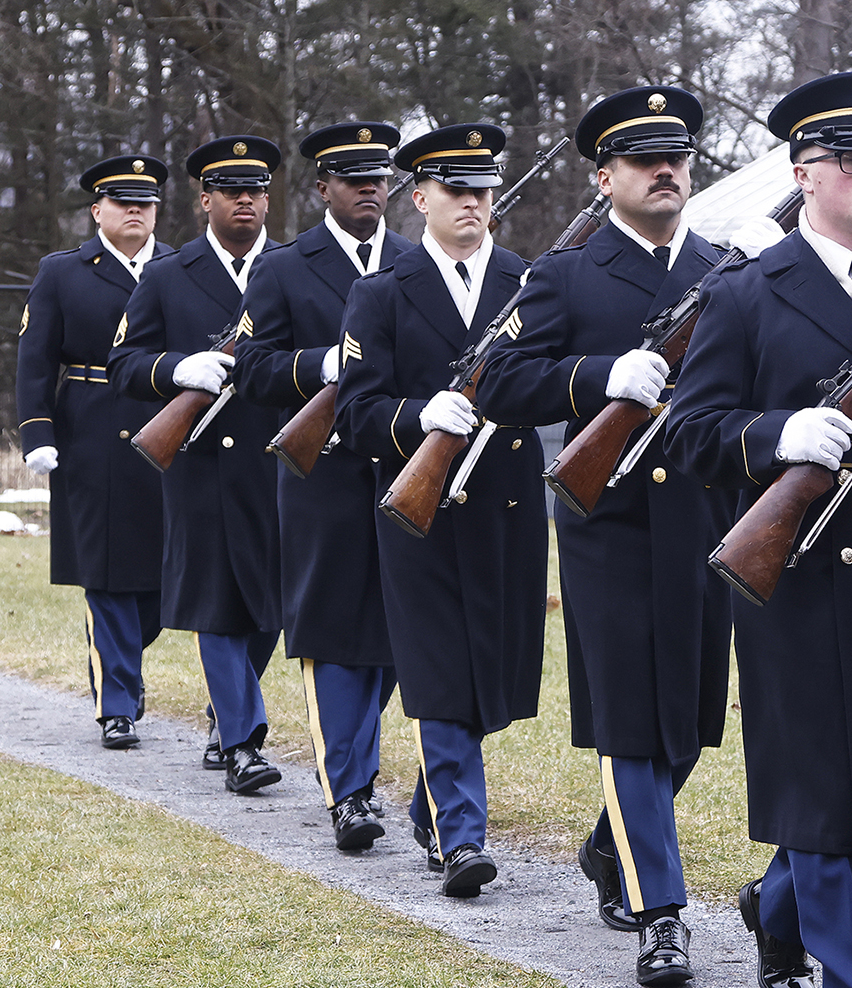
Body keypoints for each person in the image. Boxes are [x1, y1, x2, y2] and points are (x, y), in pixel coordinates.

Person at [665, 71, 852, 988]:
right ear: (804, 173)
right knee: (831, 783)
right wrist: (778, 431)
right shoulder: (750, 292)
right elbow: (690, 431)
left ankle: (776, 901)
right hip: (798, 572)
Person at [479, 85, 736, 988]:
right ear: (606, 177)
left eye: (676, 159)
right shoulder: (563, 274)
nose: (665, 172)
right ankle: (661, 913)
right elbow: (500, 379)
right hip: (611, 524)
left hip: (706, 517)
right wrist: (596, 377)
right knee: (631, 719)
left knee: (692, 723)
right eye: (642, 161)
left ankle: (611, 843)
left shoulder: (726, 268)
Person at [333, 123, 546, 899]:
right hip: (420, 514)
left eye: (483, 189)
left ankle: (431, 801)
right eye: (455, 189)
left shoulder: (528, 282)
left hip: (507, 506)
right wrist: (418, 416)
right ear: (417, 197)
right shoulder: (380, 292)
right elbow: (356, 415)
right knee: (439, 668)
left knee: (490, 677)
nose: (471, 202)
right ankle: (463, 837)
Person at [234, 121, 421, 852]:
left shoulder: (413, 262)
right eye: (354, 179)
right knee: (330, 636)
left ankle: (360, 769)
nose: (370, 189)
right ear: (323, 189)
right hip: (324, 477)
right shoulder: (284, 268)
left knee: (390, 640)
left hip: (401, 469)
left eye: (379, 178)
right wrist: (319, 366)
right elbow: (251, 370)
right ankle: (349, 791)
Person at [107, 135, 287, 796]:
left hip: (277, 460)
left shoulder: (294, 267)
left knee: (268, 609)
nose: (247, 200)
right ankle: (242, 742)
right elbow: (121, 365)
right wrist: (176, 368)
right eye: (233, 191)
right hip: (203, 465)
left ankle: (226, 707)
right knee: (218, 606)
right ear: (204, 199)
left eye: (257, 190)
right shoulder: (167, 275)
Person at [17, 154, 169, 749]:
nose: (135, 211)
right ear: (96, 211)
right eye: (123, 202)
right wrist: (38, 433)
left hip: (168, 430)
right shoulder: (63, 272)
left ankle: (123, 661)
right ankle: (118, 705)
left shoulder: (182, 267)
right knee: (105, 576)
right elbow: (35, 361)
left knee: (158, 583)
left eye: (146, 202)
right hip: (91, 430)